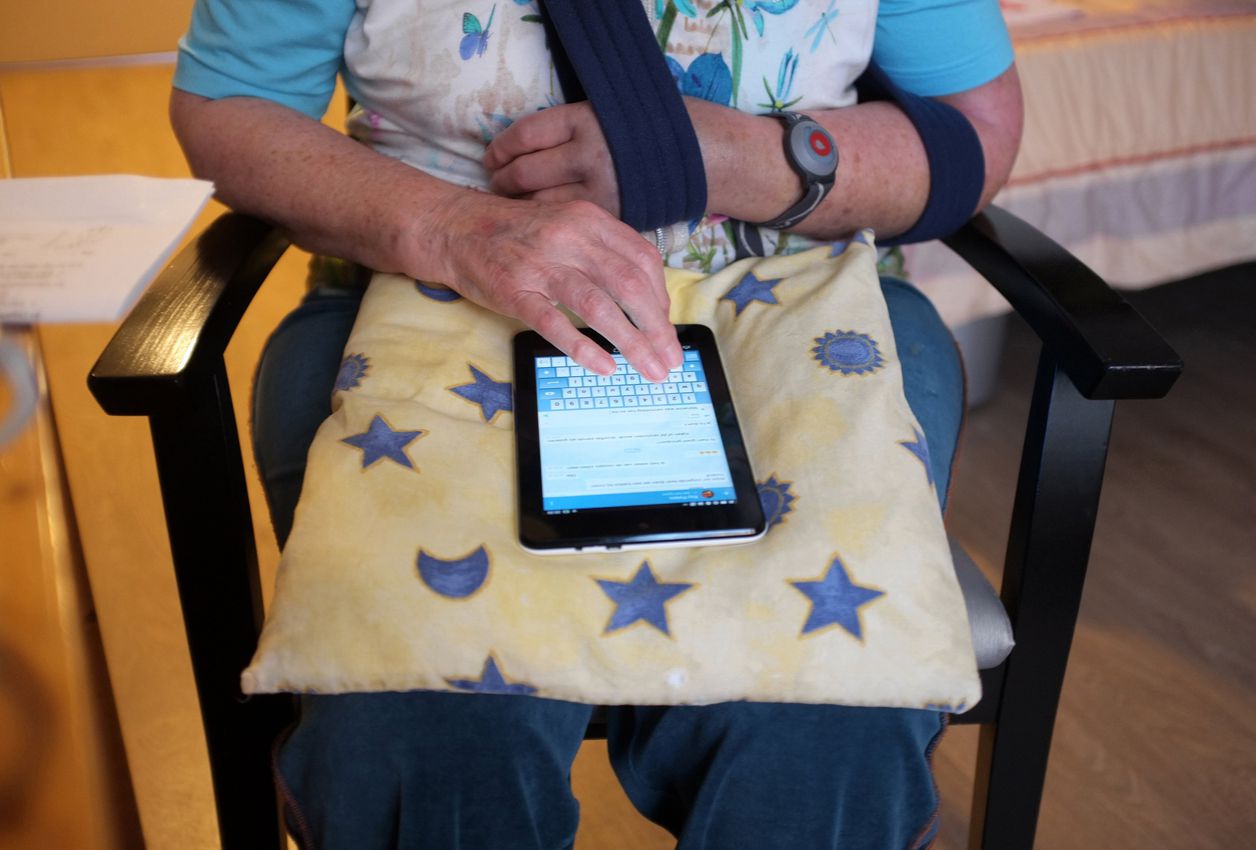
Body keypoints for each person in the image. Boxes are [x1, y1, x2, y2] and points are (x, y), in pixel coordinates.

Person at [172, 1, 1023, 847]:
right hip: (418, 294)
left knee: (826, 730)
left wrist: (721, 157)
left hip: (795, 309)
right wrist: (449, 224)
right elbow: (232, 105)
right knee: (421, 728)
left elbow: (976, 127)